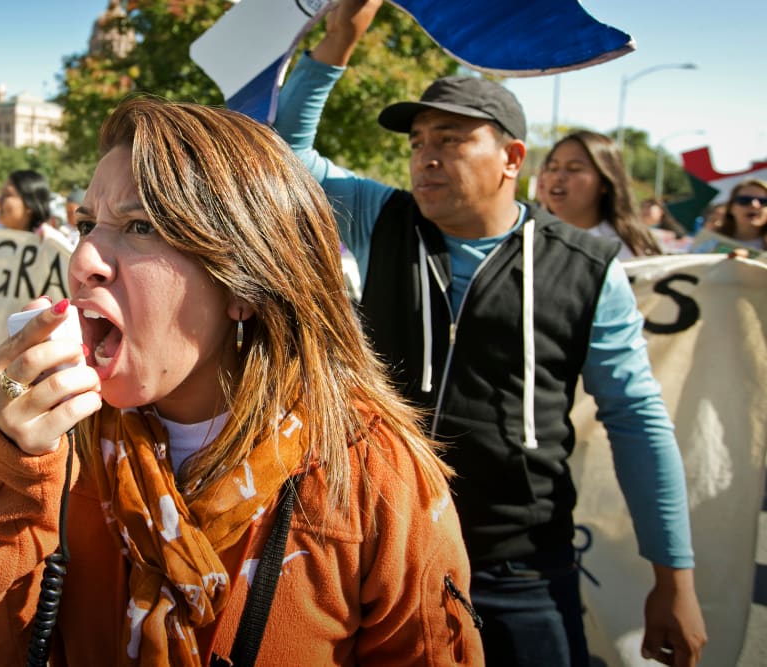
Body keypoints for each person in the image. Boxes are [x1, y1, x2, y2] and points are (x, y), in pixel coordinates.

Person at [0, 97, 483, 665]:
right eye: (87, 224)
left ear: (245, 285)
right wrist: (10, 458)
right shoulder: (52, 438)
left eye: (141, 225)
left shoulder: (374, 477)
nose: (84, 258)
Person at [273, 1, 706, 665]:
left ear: (510, 157)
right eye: (418, 143)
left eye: (450, 140)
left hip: (524, 569)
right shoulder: (381, 216)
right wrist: (338, 43)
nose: (426, 158)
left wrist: (674, 578)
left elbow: (637, 420)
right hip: (381, 548)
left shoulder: (586, 268)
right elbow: (286, 159)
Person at [540, 130, 661, 259]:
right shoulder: (530, 238)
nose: (558, 177)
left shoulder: (623, 252)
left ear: (604, 182)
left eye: (574, 168)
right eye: (552, 168)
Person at [693, 179, 767, 251]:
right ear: (731, 207)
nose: (754, 205)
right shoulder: (709, 243)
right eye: (745, 200)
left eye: (763, 201)